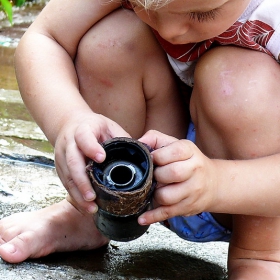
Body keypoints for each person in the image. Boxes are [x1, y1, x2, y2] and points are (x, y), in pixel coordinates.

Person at [1, 0, 280, 278]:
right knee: (111, 40)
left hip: (249, 190)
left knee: (239, 79)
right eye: (141, 4)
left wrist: (217, 182)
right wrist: (70, 119)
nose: (170, 30)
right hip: (155, 165)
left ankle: (262, 257)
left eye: (202, 13)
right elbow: (44, 37)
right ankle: (91, 212)